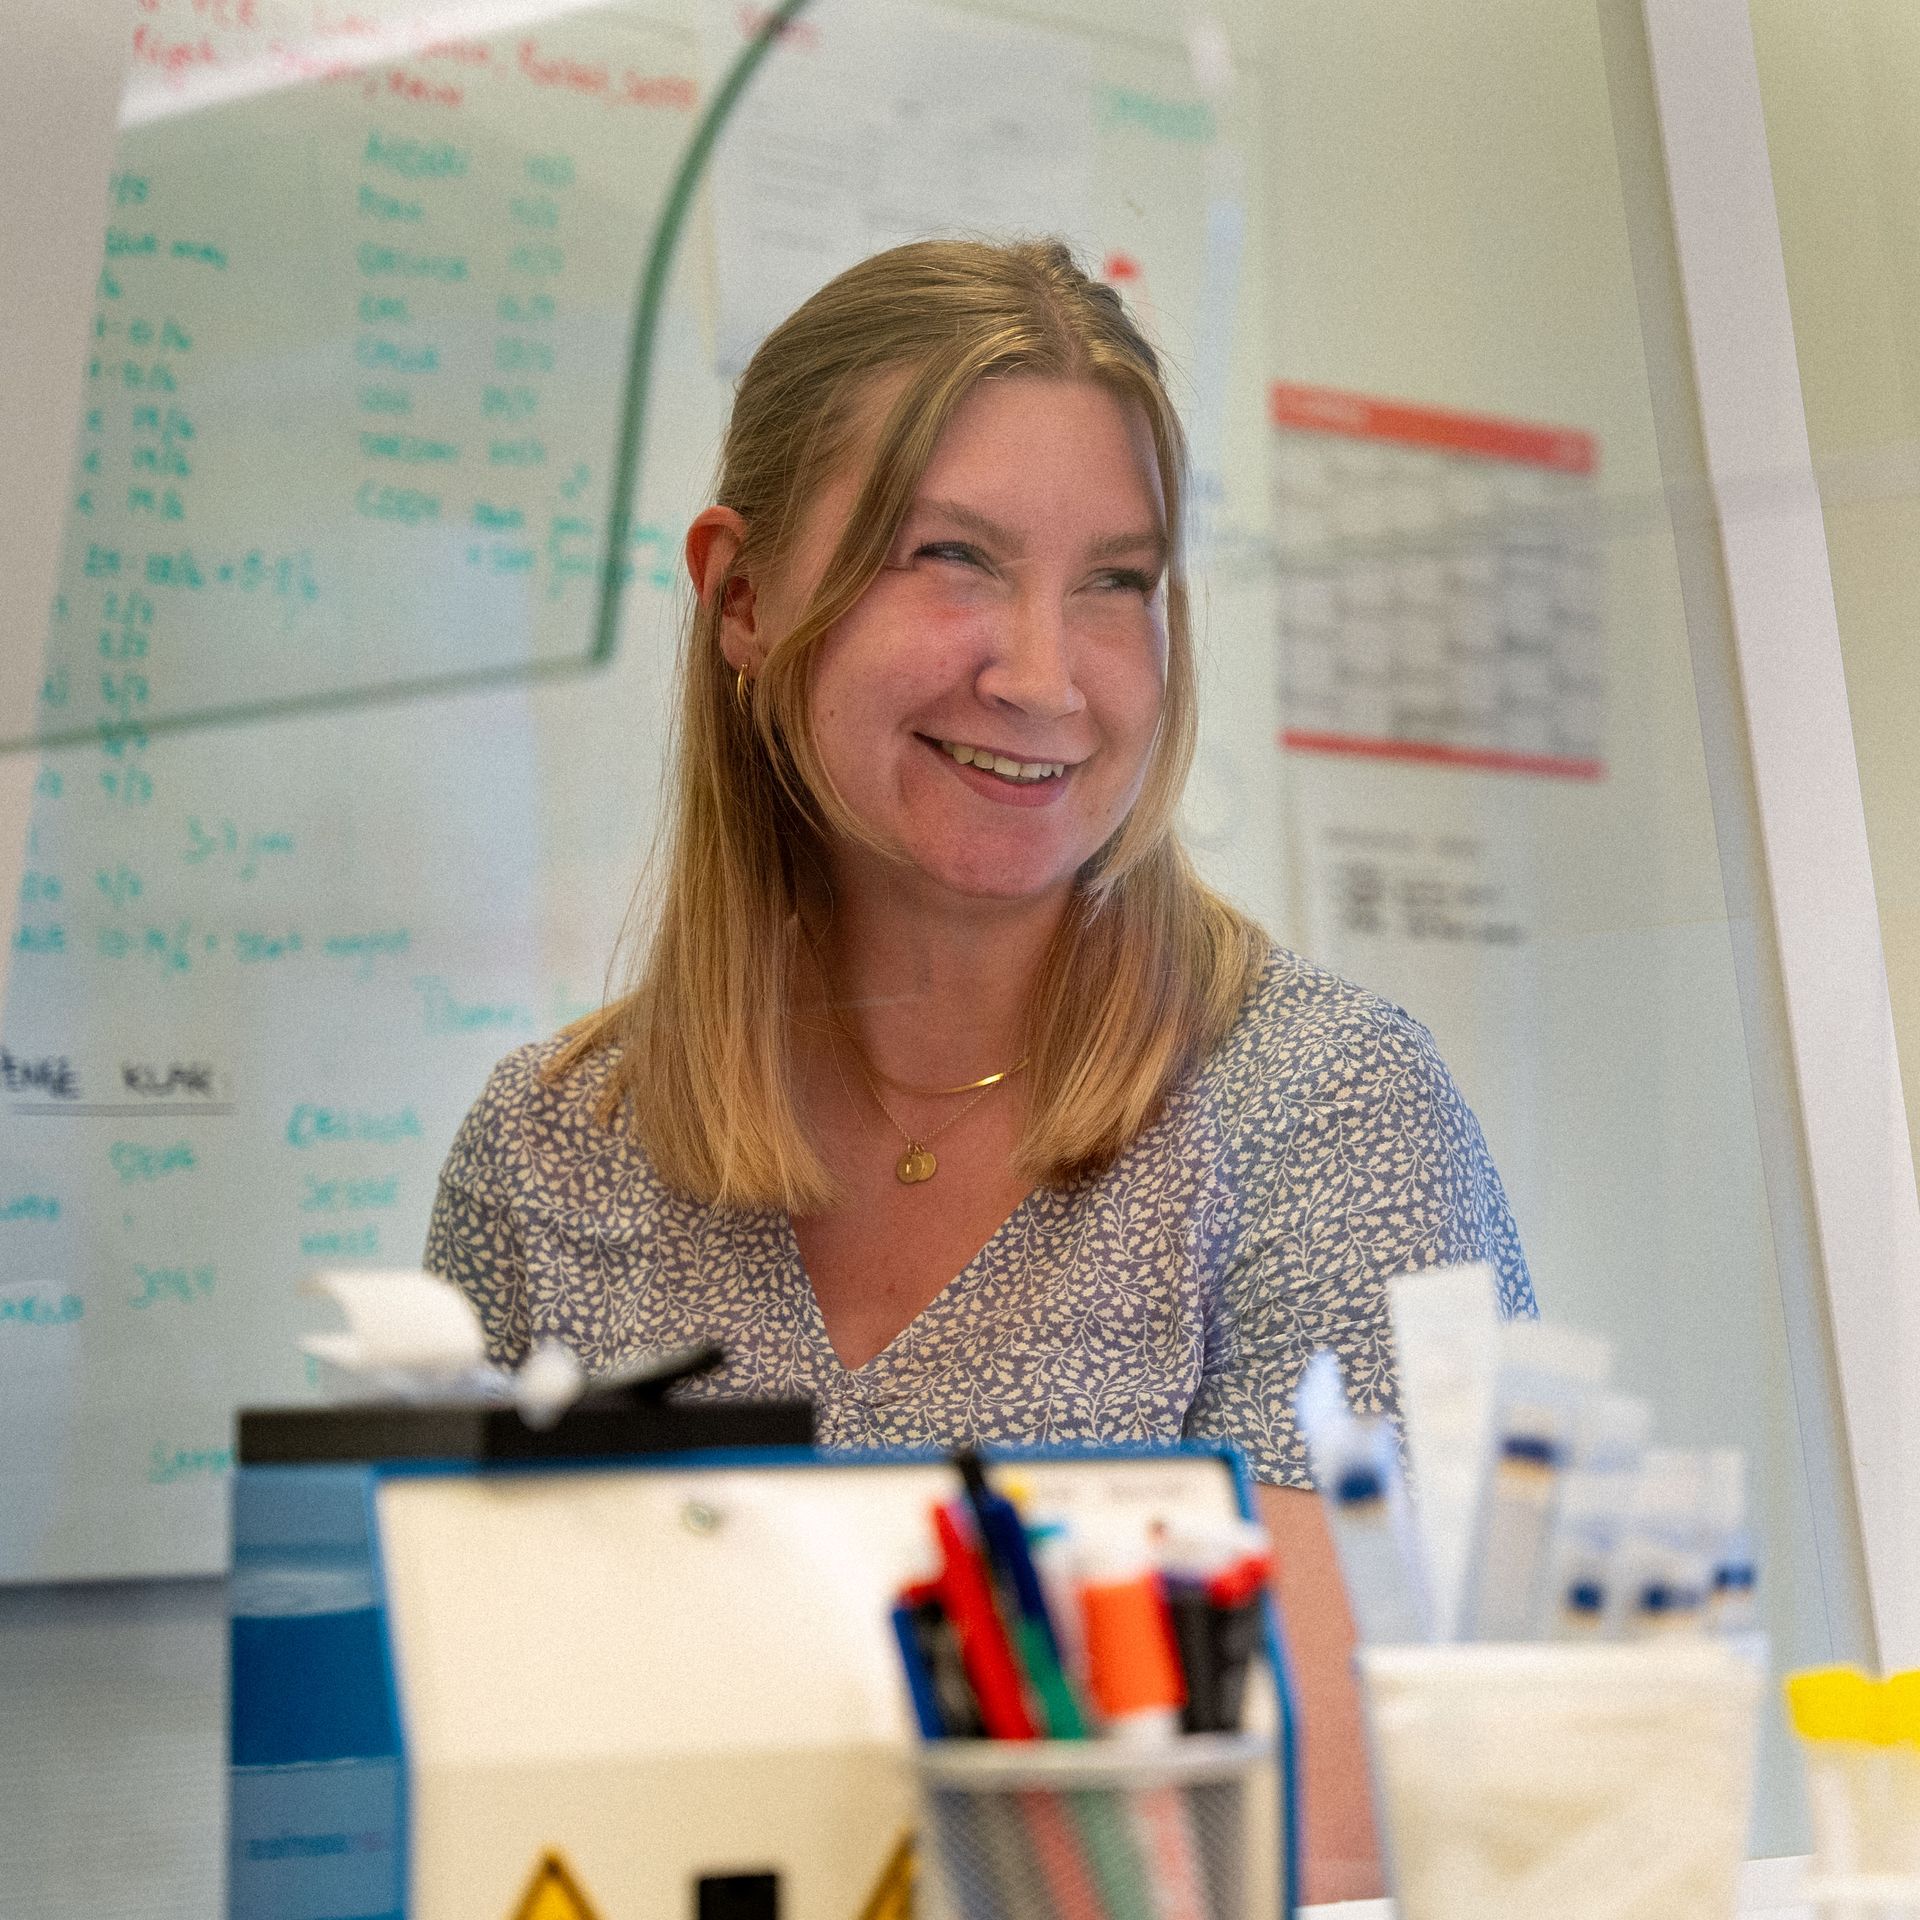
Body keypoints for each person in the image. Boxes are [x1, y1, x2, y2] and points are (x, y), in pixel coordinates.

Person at [424, 237, 1532, 1900]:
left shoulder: (1322, 1113)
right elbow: (459, 1778)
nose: (1045, 672)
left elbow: (1327, 1835)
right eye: (951, 558)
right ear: (739, 594)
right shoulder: (552, 1152)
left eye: (1117, 583)